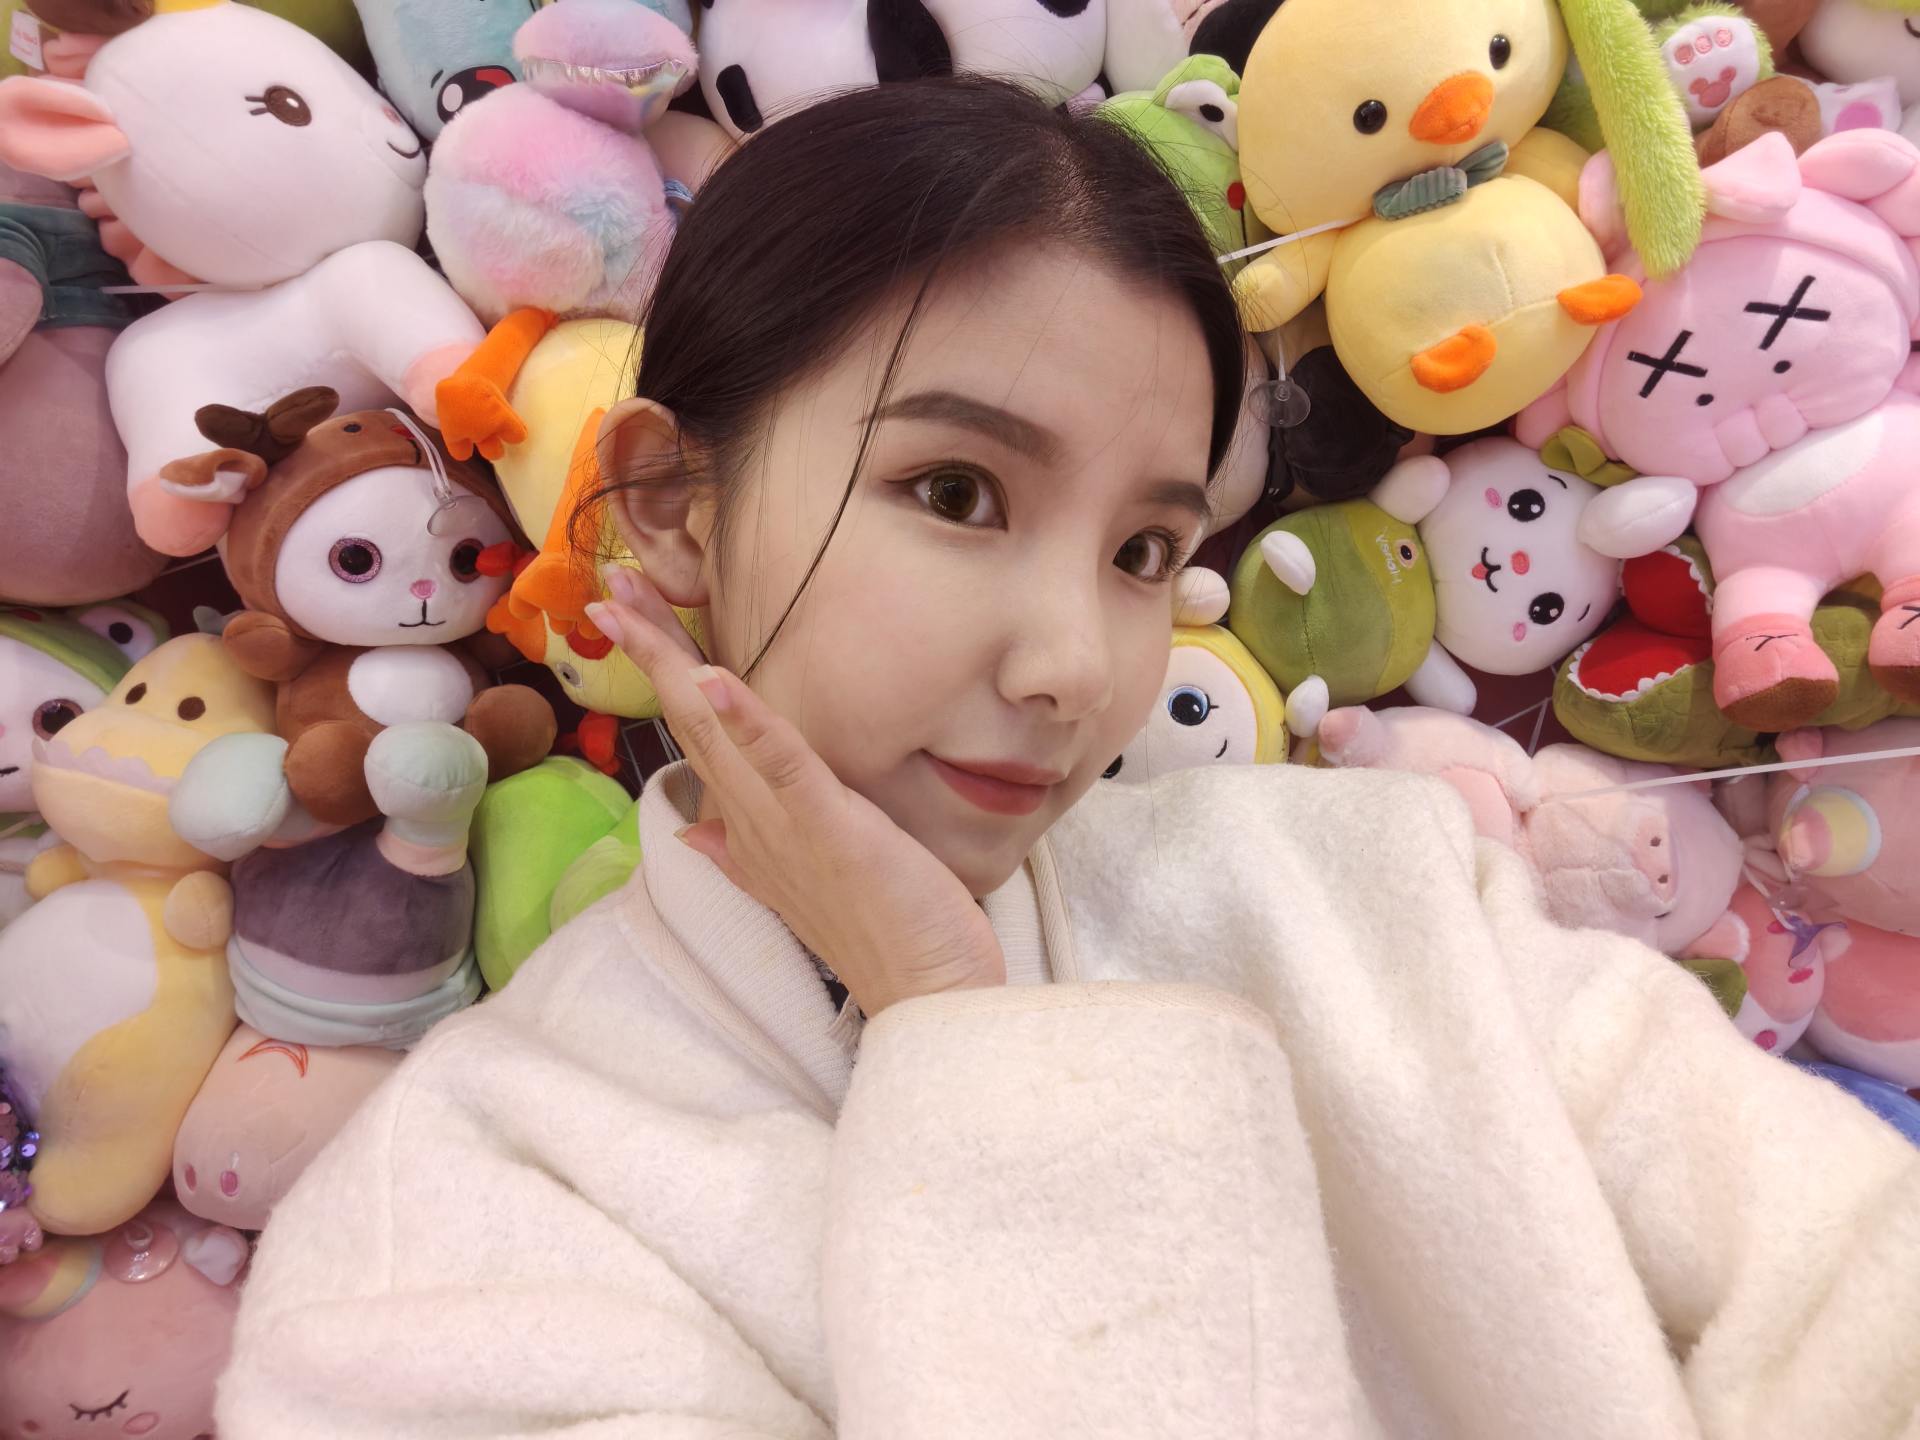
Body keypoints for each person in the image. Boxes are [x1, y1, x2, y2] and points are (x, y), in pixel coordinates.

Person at [219, 78, 1920, 1439]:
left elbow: (1871, 1292)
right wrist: (956, 1027)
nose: (1074, 670)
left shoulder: (1384, 898)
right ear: (667, 503)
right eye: (956, 493)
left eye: (1140, 552)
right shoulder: (441, 1241)